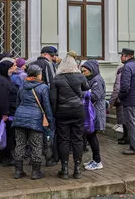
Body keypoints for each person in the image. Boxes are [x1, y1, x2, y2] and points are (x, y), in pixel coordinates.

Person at [50, 51, 89, 179]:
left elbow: (53, 99)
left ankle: (64, 169)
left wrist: (55, 114)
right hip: (78, 110)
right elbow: (86, 88)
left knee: (63, 140)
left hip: (62, 111)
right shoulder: (80, 77)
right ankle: (77, 169)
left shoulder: (56, 79)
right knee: (77, 139)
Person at [12, 64, 54, 180]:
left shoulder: (22, 86)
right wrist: (50, 122)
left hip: (19, 117)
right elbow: (46, 106)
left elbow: (17, 103)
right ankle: (36, 172)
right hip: (35, 119)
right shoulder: (43, 87)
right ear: (38, 74)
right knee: (36, 145)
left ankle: (18, 171)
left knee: (20, 144)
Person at [81, 60, 106, 171]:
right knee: (90, 136)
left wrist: (81, 93)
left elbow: (95, 96)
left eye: (85, 71)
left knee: (92, 136)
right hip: (92, 112)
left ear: (91, 70)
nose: (83, 73)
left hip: (95, 112)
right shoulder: (92, 79)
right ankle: (95, 159)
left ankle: (97, 161)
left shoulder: (97, 80)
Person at [0, 60, 19, 166]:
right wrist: (5, 113)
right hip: (6, 112)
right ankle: (6, 157)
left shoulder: (4, 78)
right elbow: (2, 98)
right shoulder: (2, 81)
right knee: (7, 134)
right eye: (13, 67)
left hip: (7, 110)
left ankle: (3, 156)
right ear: (7, 68)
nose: (15, 68)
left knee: (5, 133)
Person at [109, 65, 127, 144]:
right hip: (125, 100)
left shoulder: (120, 75)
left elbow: (117, 89)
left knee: (123, 120)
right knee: (125, 120)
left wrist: (111, 102)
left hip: (120, 100)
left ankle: (126, 138)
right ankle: (125, 137)